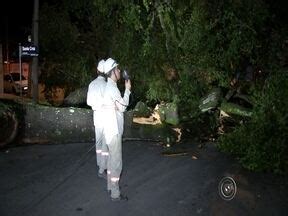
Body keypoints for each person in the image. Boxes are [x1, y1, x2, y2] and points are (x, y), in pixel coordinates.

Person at [102, 57, 131, 201]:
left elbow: (117, 108)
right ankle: (115, 193)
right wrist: (127, 90)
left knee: (110, 161)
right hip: (114, 131)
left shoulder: (109, 88)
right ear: (113, 72)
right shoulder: (113, 89)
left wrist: (118, 108)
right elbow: (123, 107)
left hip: (109, 130)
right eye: (118, 69)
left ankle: (110, 187)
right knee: (116, 163)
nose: (120, 71)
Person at [86, 59, 109, 179]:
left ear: (97, 71)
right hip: (105, 116)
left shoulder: (91, 84)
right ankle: (102, 169)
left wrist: (97, 105)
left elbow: (89, 102)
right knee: (105, 144)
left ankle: (99, 163)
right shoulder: (106, 85)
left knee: (98, 142)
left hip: (97, 117)